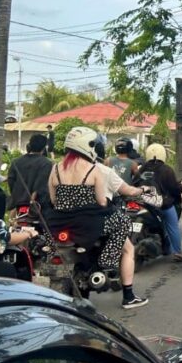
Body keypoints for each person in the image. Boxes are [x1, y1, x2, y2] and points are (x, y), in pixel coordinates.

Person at [45, 126, 144, 309]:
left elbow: (53, 199)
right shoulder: (94, 170)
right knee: (123, 223)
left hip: (59, 222)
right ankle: (109, 262)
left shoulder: (56, 168)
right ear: (88, 146)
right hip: (90, 223)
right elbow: (101, 201)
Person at [136, 143, 182, 262]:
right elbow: (174, 188)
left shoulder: (142, 168)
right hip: (163, 204)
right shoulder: (167, 170)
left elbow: (134, 183)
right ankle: (177, 252)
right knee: (173, 226)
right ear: (163, 155)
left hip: (143, 203)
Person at [6, 133, 53, 211]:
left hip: (18, 203)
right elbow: (42, 186)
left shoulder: (16, 161)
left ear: (30, 145)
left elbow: (11, 180)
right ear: (44, 147)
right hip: (37, 206)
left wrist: (16, 194)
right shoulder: (46, 163)